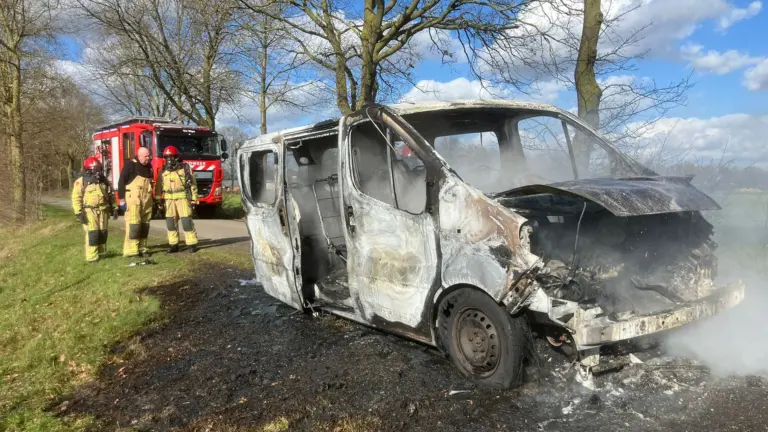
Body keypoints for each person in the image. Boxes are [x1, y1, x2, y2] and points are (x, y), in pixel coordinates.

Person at [72, 157, 118, 263]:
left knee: (103, 232)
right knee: (93, 233)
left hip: (103, 211)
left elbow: (111, 195)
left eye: (99, 168)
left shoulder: (103, 180)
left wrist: (115, 208)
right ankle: (92, 257)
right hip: (89, 211)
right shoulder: (81, 181)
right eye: (96, 169)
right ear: (89, 169)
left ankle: (101, 254)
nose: (98, 171)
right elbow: (76, 197)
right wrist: (78, 213)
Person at [156, 146, 199, 253]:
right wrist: (158, 200)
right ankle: (173, 244)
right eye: (167, 157)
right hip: (168, 200)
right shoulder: (163, 170)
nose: (169, 159)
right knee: (170, 223)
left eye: (171, 156)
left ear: (177, 157)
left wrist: (194, 199)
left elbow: (193, 184)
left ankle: (192, 244)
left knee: (186, 221)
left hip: (182, 198)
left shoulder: (185, 168)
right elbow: (158, 186)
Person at [118, 146, 154, 257]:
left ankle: (142, 248)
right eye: (146, 156)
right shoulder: (130, 165)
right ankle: (131, 250)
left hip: (146, 200)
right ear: (139, 156)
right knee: (134, 225)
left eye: (149, 156)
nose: (148, 158)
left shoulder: (149, 167)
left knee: (145, 225)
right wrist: (122, 200)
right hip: (134, 200)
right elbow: (121, 182)